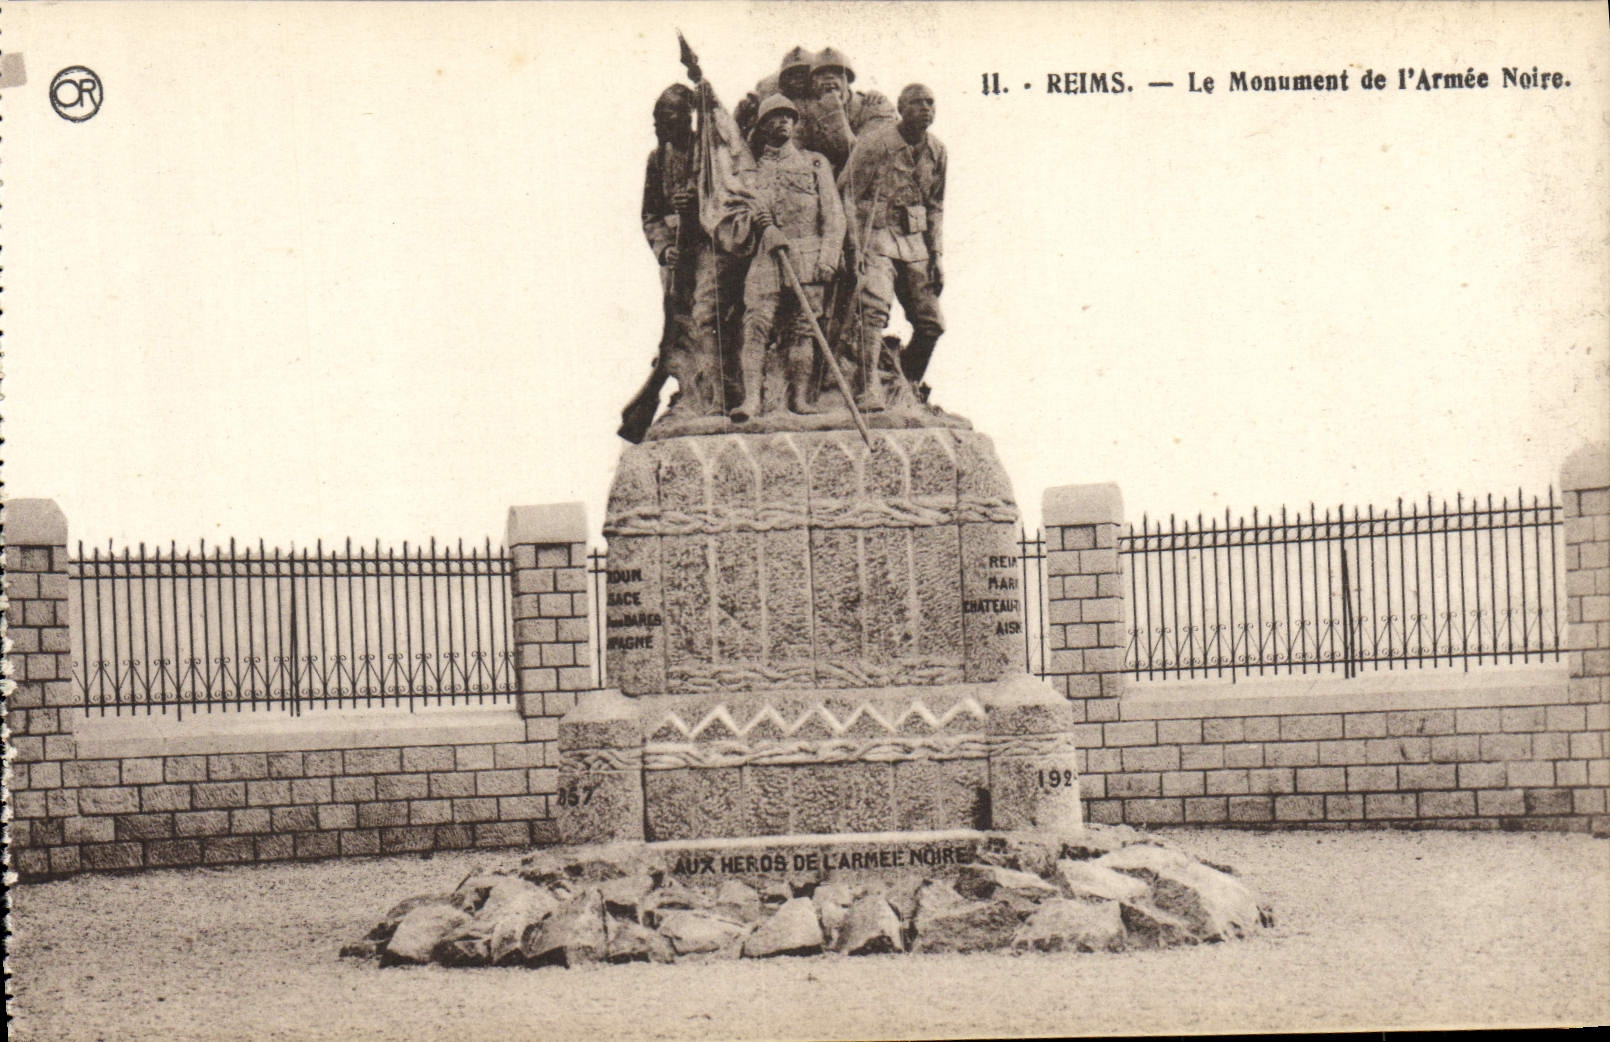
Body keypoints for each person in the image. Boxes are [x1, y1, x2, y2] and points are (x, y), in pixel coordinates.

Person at [732, 95, 845, 422]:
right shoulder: (750, 171)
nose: (781, 122)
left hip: (807, 256)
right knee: (756, 326)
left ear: (795, 124)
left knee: (803, 329)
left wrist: (828, 259)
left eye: (787, 117)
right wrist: (760, 228)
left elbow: (834, 216)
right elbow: (739, 213)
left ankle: (800, 398)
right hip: (766, 257)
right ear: (763, 125)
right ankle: (751, 400)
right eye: (773, 118)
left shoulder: (814, 163)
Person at [639, 83, 746, 422]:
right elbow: (650, 215)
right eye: (658, 120)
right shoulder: (658, 159)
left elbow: (730, 189)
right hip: (676, 255)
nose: (661, 127)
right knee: (680, 325)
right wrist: (664, 248)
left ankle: (720, 394)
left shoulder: (710, 150)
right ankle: (691, 390)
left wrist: (698, 206)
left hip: (709, 245)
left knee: (708, 313)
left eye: (669, 118)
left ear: (688, 117)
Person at [838, 83, 947, 403]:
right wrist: (855, 247)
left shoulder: (937, 151)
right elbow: (847, 190)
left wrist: (937, 254)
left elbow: (936, 206)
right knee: (873, 311)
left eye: (931, 102)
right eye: (917, 103)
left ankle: (906, 384)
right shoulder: (876, 144)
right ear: (901, 107)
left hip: (915, 242)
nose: (926, 108)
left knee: (932, 324)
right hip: (877, 236)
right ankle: (868, 386)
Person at [798, 46, 896, 175]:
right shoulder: (806, 112)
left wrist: (834, 114)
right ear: (813, 84)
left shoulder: (874, 106)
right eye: (821, 74)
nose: (829, 77)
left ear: (847, 81)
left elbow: (863, 157)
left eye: (837, 73)